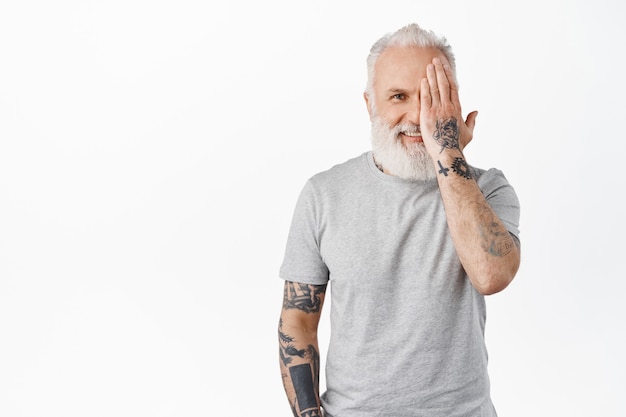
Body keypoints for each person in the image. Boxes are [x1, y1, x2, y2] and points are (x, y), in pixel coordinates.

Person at [277, 22, 521, 417]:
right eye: (398, 96)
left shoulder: (488, 188)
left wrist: (447, 151)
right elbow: (298, 321)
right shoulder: (323, 194)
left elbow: (492, 276)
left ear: (453, 104)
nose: (415, 116)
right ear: (369, 104)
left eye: (430, 98)